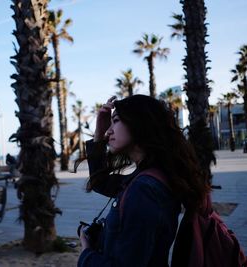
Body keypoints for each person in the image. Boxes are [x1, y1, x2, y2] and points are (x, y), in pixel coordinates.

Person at [77, 95, 209, 266]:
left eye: (115, 121)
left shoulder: (145, 189)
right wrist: (98, 135)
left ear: (139, 123)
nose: (109, 131)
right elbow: (100, 183)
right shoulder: (153, 174)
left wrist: (86, 253)